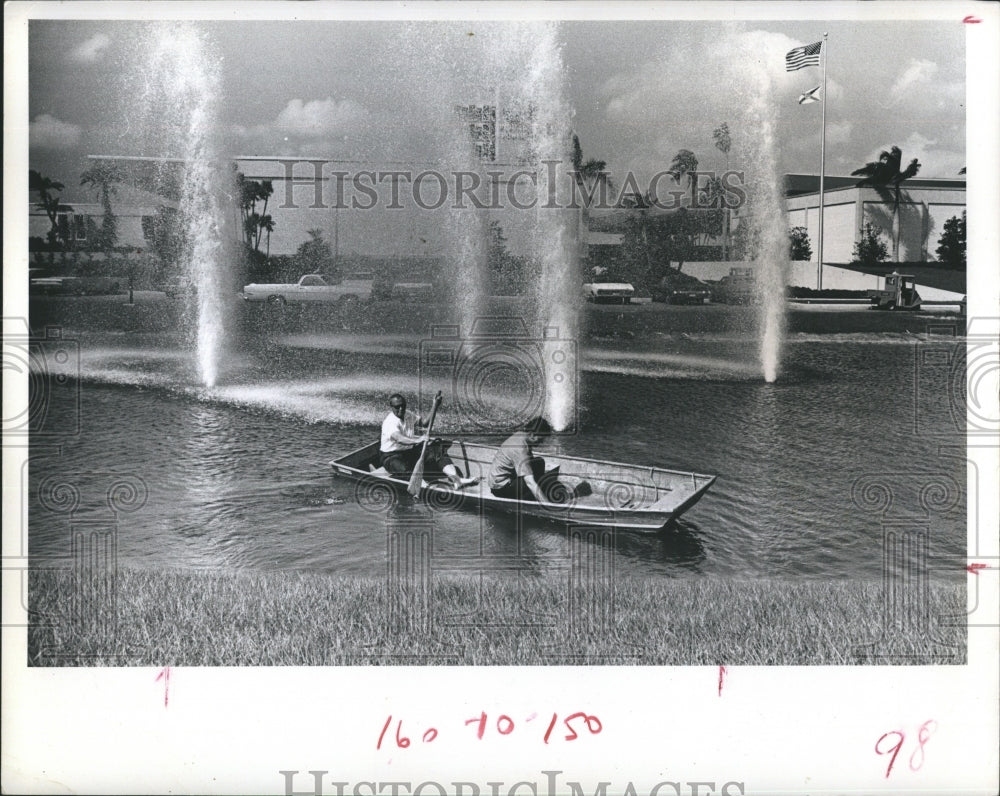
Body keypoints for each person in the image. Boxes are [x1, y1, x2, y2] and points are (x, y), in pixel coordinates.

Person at [379, 393, 478, 488]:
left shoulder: (408, 414)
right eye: (397, 407)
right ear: (391, 407)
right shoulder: (390, 422)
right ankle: (423, 486)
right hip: (390, 456)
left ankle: (456, 479)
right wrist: (417, 440)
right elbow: (399, 438)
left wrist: (435, 406)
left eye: (403, 405)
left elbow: (425, 423)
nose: (401, 409)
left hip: (408, 452)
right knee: (404, 469)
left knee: (436, 450)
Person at [488, 416, 553, 502]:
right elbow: (530, 482)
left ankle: (534, 494)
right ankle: (530, 498)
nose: (541, 442)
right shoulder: (520, 449)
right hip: (501, 488)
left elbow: (529, 460)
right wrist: (547, 505)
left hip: (506, 478)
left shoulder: (521, 434)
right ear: (532, 435)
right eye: (540, 439)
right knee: (531, 482)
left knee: (539, 462)